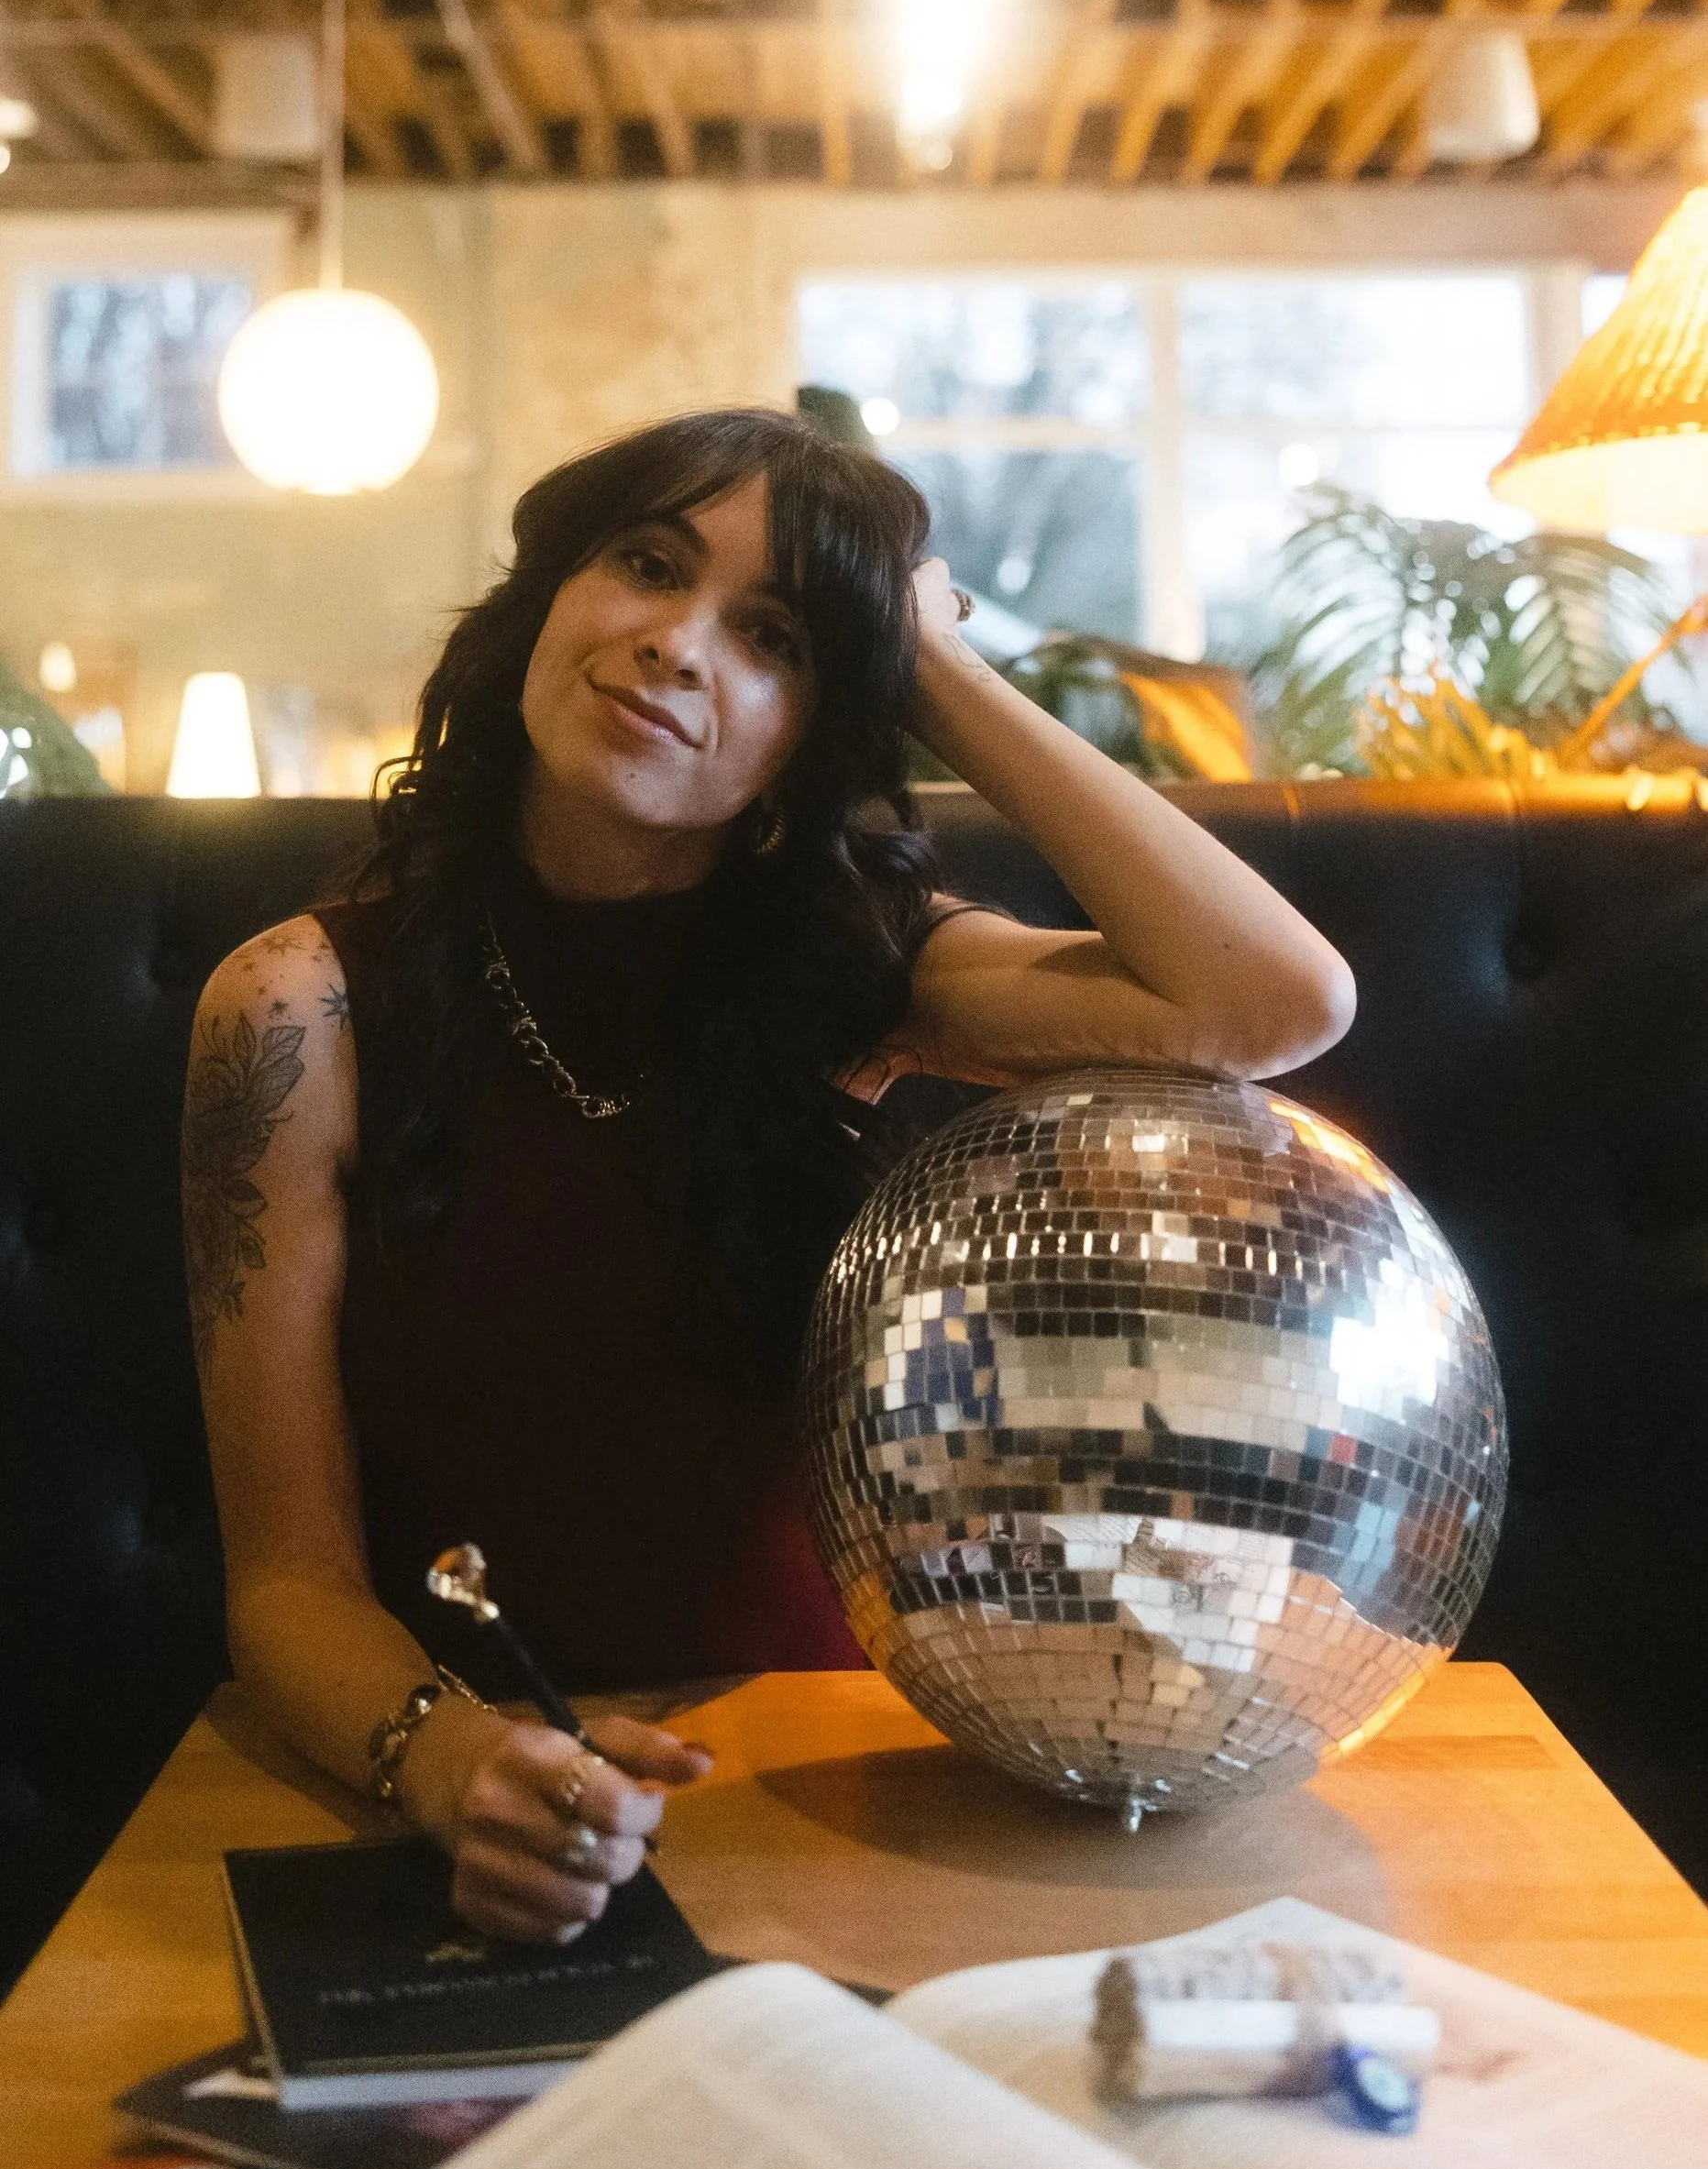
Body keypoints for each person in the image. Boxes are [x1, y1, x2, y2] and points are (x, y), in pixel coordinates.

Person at [184, 409, 1354, 1946]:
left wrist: (930, 656)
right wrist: (453, 1756)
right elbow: (285, 1587)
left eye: (775, 637)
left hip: (854, 1779)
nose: (675, 645)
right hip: (477, 1791)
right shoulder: (295, 1009)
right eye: (647, 566)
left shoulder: (863, 972)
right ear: (545, 599)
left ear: (820, 735)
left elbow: (1274, 1001)